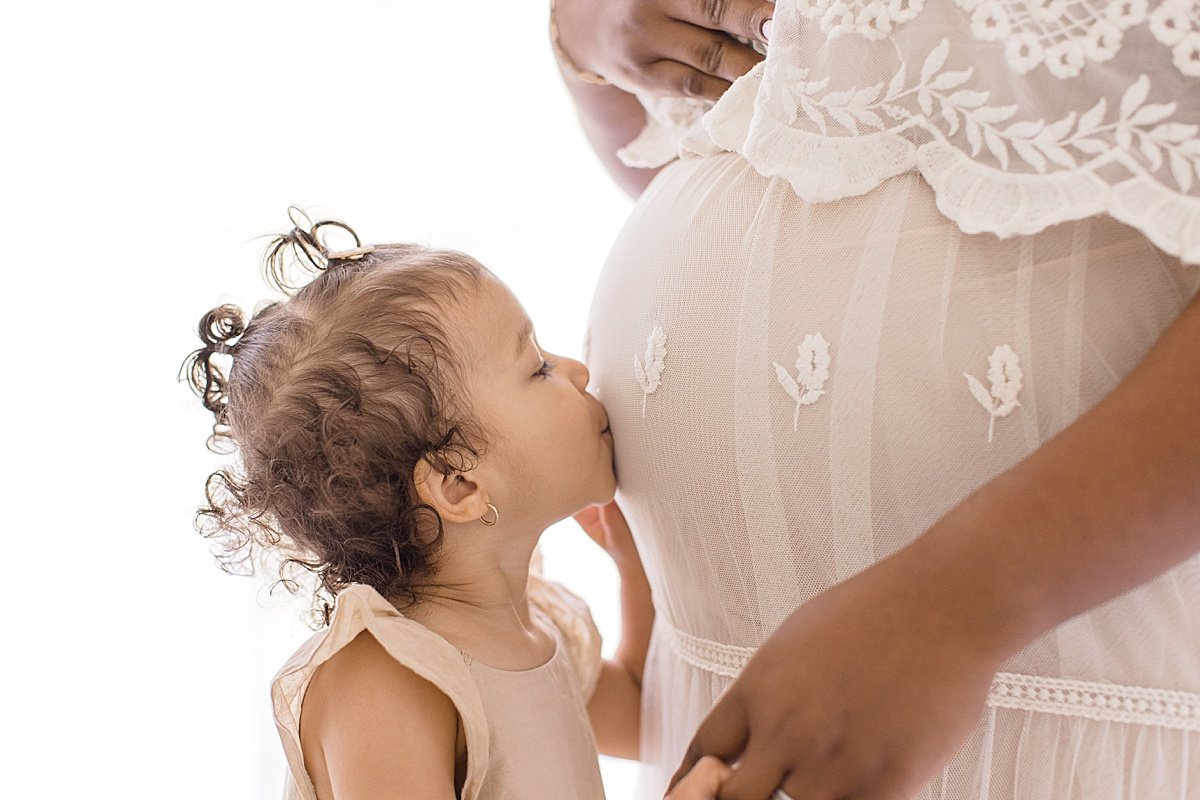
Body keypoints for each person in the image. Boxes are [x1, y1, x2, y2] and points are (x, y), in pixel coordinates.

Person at [549, 0, 1200, 798]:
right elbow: (743, 144)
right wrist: (593, 40)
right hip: (739, 696)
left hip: (1064, 707)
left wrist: (962, 600)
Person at [182, 212, 731, 800]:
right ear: (457, 484)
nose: (577, 370)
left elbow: (651, 719)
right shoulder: (386, 677)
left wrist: (634, 563)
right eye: (538, 368)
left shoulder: (537, 628)